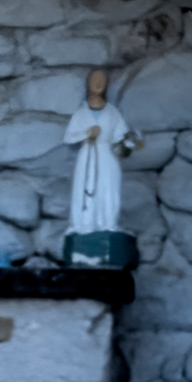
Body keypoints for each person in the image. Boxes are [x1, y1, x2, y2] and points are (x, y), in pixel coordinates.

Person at [65, 66, 129, 249]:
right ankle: (83, 224)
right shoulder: (81, 113)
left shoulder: (113, 113)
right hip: (87, 156)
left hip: (107, 156)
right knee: (85, 188)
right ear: (88, 84)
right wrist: (86, 134)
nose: (98, 83)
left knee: (109, 189)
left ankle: (107, 223)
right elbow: (69, 137)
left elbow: (121, 136)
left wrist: (128, 144)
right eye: (94, 79)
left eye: (102, 79)